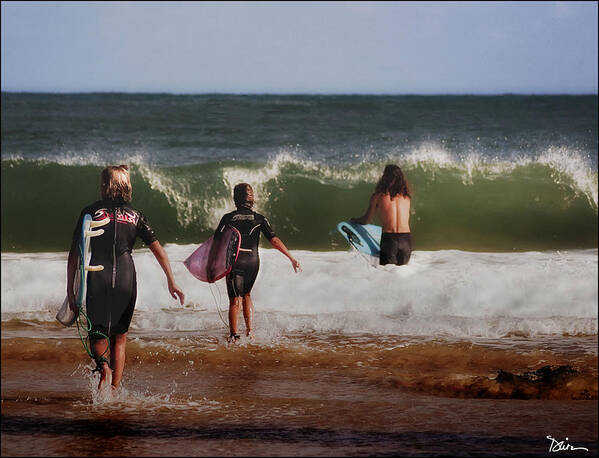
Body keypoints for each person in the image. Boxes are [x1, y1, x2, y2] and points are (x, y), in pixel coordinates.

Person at [67, 165, 184, 390]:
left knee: (98, 333)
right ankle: (114, 390)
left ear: (105, 186)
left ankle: (104, 368)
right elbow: (159, 250)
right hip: (126, 278)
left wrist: (70, 290)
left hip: (98, 276)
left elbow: (76, 254)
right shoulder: (136, 216)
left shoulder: (91, 212)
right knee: (119, 337)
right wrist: (171, 280)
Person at [212, 183, 300, 341]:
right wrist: (291, 257)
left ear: (235, 199)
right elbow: (274, 240)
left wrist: (210, 265)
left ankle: (234, 336)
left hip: (235, 261)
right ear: (252, 200)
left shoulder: (228, 218)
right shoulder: (259, 218)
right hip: (253, 262)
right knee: (246, 294)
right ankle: (250, 332)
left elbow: (216, 243)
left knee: (235, 299)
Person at [351, 164, 412, 266]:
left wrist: (355, 221)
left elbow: (366, 220)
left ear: (385, 177)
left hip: (389, 240)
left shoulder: (378, 196)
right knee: (401, 276)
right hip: (406, 240)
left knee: (387, 276)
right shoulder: (407, 197)